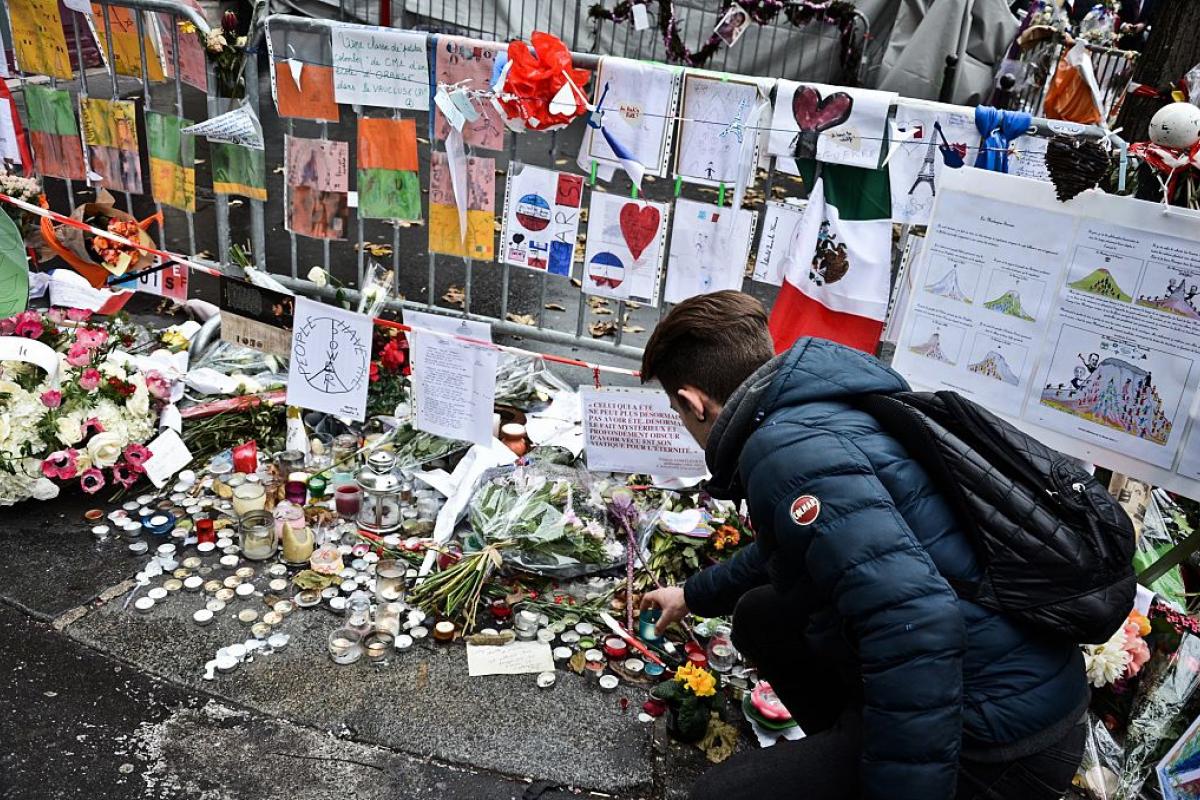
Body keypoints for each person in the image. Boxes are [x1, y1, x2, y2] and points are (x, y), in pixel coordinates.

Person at [638, 290, 1088, 800]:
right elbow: (800, 548)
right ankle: (848, 745)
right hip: (1002, 675)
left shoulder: (782, 451)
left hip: (1002, 736)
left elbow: (915, 624)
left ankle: (874, 766)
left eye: (678, 413)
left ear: (693, 402)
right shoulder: (815, 404)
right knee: (762, 614)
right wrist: (693, 595)